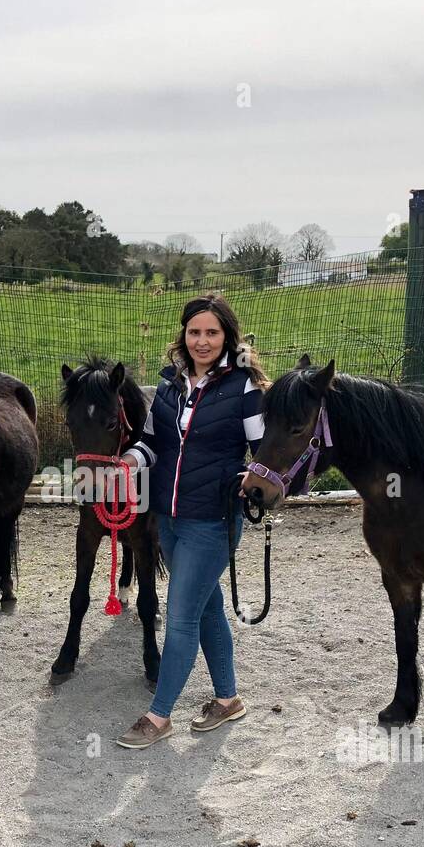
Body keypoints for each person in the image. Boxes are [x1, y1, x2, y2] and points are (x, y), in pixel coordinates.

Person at [115, 294, 268, 749]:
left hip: (213, 520)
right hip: (169, 518)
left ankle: (158, 717)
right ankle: (228, 699)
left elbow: (264, 455)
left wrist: (250, 476)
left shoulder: (244, 388)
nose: (202, 341)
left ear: (227, 337)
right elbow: (151, 444)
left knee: (180, 617)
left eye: (212, 333)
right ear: (184, 335)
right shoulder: (168, 387)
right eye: (194, 332)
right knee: (206, 606)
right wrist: (126, 463)